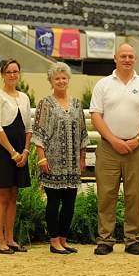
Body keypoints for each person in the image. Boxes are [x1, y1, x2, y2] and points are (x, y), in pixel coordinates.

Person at [89, 43, 139, 256]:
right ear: (115, 58)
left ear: (135, 59)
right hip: (109, 148)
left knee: (134, 195)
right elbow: (95, 115)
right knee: (106, 195)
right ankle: (105, 239)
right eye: (123, 56)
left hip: (136, 148)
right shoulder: (103, 85)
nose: (127, 59)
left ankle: (133, 240)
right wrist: (113, 140)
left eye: (130, 56)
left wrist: (137, 139)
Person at [32, 63, 88, 255]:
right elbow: (38, 132)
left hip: (72, 163)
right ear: (51, 81)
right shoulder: (45, 104)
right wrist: (41, 158)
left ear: (68, 79)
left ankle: (64, 240)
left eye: (64, 77)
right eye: (57, 78)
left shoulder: (77, 104)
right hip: (52, 161)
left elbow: (82, 132)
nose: (61, 81)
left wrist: (82, 158)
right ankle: (54, 241)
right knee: (53, 202)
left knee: (70, 203)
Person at [0, 59, 32, 254]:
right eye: (9, 71)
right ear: (2, 74)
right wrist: (12, 153)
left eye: (16, 71)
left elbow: (28, 129)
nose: (13, 75)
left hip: (21, 152)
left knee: (14, 195)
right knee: (2, 195)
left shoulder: (24, 97)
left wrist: (25, 151)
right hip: (4, 151)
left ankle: (10, 238)